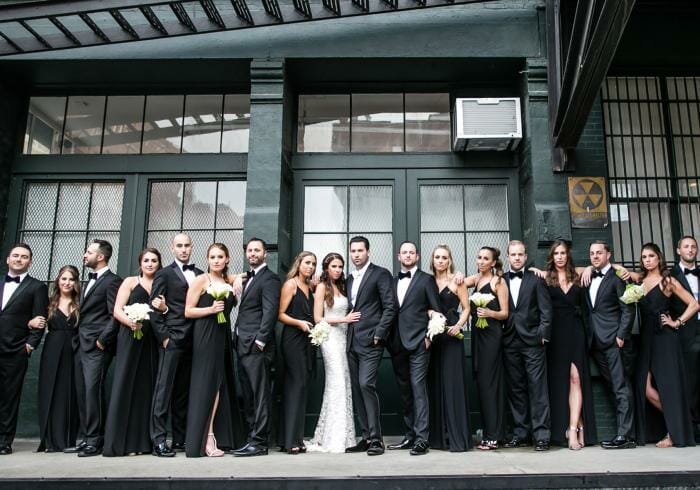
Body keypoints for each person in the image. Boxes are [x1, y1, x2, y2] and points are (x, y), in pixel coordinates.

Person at [633, 243, 698, 448]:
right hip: (646, 339)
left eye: (651, 256)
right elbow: (615, 269)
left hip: (665, 338)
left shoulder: (667, 281)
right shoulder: (639, 280)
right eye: (644, 257)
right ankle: (681, 424)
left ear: (659, 258)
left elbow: (694, 304)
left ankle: (674, 432)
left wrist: (677, 322)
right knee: (644, 387)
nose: (647, 260)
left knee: (668, 387)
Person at [185, 243, 245, 457]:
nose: (216, 260)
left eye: (220, 257)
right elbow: (188, 311)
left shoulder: (227, 280)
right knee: (208, 384)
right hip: (205, 335)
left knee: (220, 384)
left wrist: (237, 279)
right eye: (212, 257)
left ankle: (220, 435)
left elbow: (246, 275)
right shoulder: (202, 280)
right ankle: (206, 438)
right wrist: (210, 309)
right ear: (207, 260)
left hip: (223, 335)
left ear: (227, 259)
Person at [64, 239, 122, 457]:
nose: (85, 255)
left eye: (89, 252)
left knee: (92, 390)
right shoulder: (88, 280)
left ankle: (96, 440)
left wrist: (103, 340)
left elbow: (115, 314)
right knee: (82, 391)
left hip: (97, 346)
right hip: (81, 343)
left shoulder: (113, 281)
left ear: (101, 256)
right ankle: (87, 437)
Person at [385, 241, 443, 456]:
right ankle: (409, 436)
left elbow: (437, 311)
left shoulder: (426, 280)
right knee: (405, 392)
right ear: (398, 256)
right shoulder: (392, 281)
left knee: (418, 389)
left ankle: (421, 439)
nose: (408, 255)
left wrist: (429, 337)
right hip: (396, 344)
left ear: (417, 256)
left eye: (411, 252)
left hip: (419, 343)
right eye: (404, 252)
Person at [103, 248, 162, 456]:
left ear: (159, 263)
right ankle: (119, 442)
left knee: (146, 387)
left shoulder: (161, 283)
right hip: (130, 337)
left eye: (154, 260)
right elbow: (117, 309)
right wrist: (130, 322)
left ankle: (142, 443)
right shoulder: (129, 282)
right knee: (125, 383)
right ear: (140, 263)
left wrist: (163, 307)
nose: (150, 264)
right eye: (146, 260)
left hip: (151, 340)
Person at [149, 233, 203, 457]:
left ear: (192, 247)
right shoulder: (163, 274)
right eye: (179, 246)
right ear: (172, 249)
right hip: (172, 339)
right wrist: (164, 337)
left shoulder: (200, 274)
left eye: (186, 245)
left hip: (195, 340)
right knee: (163, 391)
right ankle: (159, 440)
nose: (183, 249)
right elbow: (154, 308)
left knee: (183, 391)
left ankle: (180, 439)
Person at [542, 240, 598, 449]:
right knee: (561, 382)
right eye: (556, 253)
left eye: (563, 253)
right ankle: (578, 425)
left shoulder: (578, 275)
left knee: (576, 378)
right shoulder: (546, 278)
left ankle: (572, 430)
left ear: (568, 255)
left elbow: (608, 266)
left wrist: (591, 267)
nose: (560, 257)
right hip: (556, 334)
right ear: (552, 256)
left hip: (576, 331)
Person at [345, 236, 397, 456]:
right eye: (353, 251)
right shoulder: (349, 278)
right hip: (351, 342)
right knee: (357, 390)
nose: (356, 255)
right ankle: (366, 438)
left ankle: (377, 440)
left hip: (371, 341)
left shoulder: (380, 274)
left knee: (366, 384)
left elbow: (390, 306)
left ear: (368, 252)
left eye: (360, 251)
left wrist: (379, 333)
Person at [306, 253, 360, 453]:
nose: (337, 270)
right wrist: (343, 320)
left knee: (344, 383)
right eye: (334, 266)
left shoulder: (343, 286)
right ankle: (334, 437)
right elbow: (317, 318)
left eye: (340, 266)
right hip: (330, 339)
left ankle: (345, 435)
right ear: (326, 268)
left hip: (344, 338)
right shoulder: (322, 287)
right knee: (337, 382)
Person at [502, 240, 552, 451]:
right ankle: (521, 433)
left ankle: (541, 435)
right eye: (513, 254)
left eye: (520, 254)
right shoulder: (501, 280)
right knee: (516, 389)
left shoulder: (536, 279)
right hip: (509, 341)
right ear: (507, 257)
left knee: (537, 388)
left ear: (525, 256)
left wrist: (543, 335)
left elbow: (546, 310)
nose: (516, 258)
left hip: (532, 341)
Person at [585, 240, 635, 449]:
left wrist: (621, 335)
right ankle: (624, 432)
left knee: (620, 386)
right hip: (596, 342)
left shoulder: (618, 277)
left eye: (599, 253)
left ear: (608, 255)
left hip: (614, 341)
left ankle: (625, 435)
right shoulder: (589, 276)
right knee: (613, 387)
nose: (595, 256)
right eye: (592, 253)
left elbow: (628, 309)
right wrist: (587, 268)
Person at [233, 238, 281, 457]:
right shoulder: (248, 277)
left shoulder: (270, 279)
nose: (252, 253)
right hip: (242, 344)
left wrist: (260, 340)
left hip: (256, 345)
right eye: (250, 250)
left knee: (260, 395)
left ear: (265, 254)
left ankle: (260, 442)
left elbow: (270, 311)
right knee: (248, 394)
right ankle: (252, 438)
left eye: (257, 250)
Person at [0, 243, 49, 455]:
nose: (19, 259)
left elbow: (40, 319)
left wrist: (30, 346)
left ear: (30, 262)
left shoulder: (37, 287)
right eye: (16, 255)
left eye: (24, 257)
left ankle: (4, 441)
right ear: (7, 259)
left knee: (9, 398)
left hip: (15, 350)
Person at [427, 244, 472, 452]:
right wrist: (430, 314)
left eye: (444, 257)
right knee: (435, 383)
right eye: (437, 257)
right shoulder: (426, 281)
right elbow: (421, 306)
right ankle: (439, 438)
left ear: (449, 260)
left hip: (452, 337)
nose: (440, 260)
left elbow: (467, 308)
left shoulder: (457, 281)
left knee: (452, 384)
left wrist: (459, 325)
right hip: (433, 338)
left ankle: (456, 437)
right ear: (432, 260)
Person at [467, 246, 509, 450]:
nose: (481, 261)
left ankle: (494, 436)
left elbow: (505, 313)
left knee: (490, 384)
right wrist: (457, 275)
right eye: (479, 257)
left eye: (486, 258)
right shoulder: (476, 279)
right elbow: (453, 282)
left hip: (492, 336)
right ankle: (488, 432)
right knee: (481, 383)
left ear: (493, 262)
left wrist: (490, 313)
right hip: (477, 335)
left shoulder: (498, 282)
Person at [37, 265, 81, 452]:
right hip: (52, 349)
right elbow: (33, 318)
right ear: (58, 280)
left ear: (76, 282)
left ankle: (67, 439)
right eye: (64, 279)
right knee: (51, 391)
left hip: (74, 349)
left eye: (71, 279)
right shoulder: (49, 302)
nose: (67, 283)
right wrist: (31, 322)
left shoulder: (80, 303)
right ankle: (50, 440)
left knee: (70, 392)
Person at [278, 251, 317, 454]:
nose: (310, 266)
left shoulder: (310, 286)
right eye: (307, 262)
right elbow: (280, 314)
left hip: (307, 340)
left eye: (313, 264)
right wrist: (299, 323)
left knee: (302, 387)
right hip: (292, 339)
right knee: (296, 385)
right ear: (298, 264)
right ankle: (289, 440)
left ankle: (297, 438)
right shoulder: (290, 285)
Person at [670, 236, 700, 439]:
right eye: (686, 246)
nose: (690, 250)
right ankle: (694, 425)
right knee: (691, 379)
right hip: (686, 331)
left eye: (693, 247)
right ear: (678, 250)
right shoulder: (670, 275)